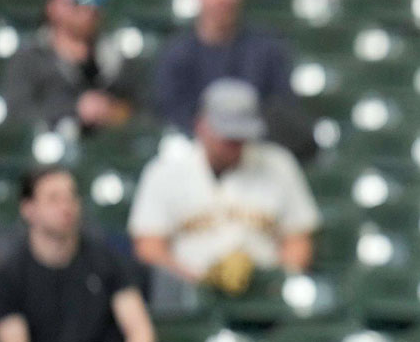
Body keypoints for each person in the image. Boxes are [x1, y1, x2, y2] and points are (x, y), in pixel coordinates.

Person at [128, 78, 320, 289]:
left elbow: (299, 241)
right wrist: (200, 281)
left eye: (240, 135)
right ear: (201, 125)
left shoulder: (278, 163)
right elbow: (149, 248)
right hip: (191, 294)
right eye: (227, 135)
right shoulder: (164, 171)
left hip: (264, 292)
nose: (235, 143)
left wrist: (273, 282)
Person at [0, 166, 155, 342]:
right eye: (53, 199)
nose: (66, 207)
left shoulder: (107, 261)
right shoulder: (11, 274)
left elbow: (141, 334)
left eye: (71, 196)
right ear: (28, 208)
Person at [154, 0, 311, 157]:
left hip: (258, 158)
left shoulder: (268, 49)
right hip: (193, 159)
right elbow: (168, 114)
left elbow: (283, 110)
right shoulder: (175, 53)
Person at [2, 0, 138, 129]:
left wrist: (113, 111)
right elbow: (16, 116)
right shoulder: (29, 59)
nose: (89, 7)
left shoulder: (118, 58)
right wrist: (75, 109)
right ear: (52, 5)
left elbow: (144, 110)